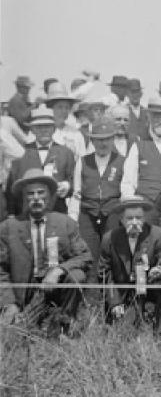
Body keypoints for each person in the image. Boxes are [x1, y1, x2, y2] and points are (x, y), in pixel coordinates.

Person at [0, 169, 92, 334]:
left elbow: (85, 256)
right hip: (26, 293)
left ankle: (64, 322)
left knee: (77, 276)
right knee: (16, 334)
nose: (36, 198)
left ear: (49, 196)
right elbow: (1, 270)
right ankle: (29, 320)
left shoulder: (65, 223)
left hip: (56, 289)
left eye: (41, 192)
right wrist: (9, 303)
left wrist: (58, 270)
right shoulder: (8, 227)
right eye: (30, 194)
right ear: (23, 197)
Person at [99, 195, 161, 335]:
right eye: (129, 218)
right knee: (124, 333)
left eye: (139, 218)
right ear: (121, 220)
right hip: (123, 291)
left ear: (144, 218)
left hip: (149, 287)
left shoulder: (158, 235)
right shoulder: (109, 239)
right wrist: (114, 301)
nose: (134, 222)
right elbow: (104, 273)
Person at [5, 107, 78, 217]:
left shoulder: (66, 153)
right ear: (32, 130)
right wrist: (11, 214)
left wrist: (67, 187)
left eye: (47, 126)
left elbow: (74, 183)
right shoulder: (21, 153)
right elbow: (11, 189)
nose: (44, 130)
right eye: (39, 127)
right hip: (26, 216)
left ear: (54, 129)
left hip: (57, 214)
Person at [76, 117, 126, 258]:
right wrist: (74, 216)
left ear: (113, 140)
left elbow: (126, 191)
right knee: (89, 251)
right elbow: (76, 192)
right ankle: (92, 278)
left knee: (112, 248)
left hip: (112, 212)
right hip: (88, 212)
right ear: (92, 141)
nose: (103, 143)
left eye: (107, 139)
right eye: (99, 140)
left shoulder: (122, 161)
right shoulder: (83, 161)